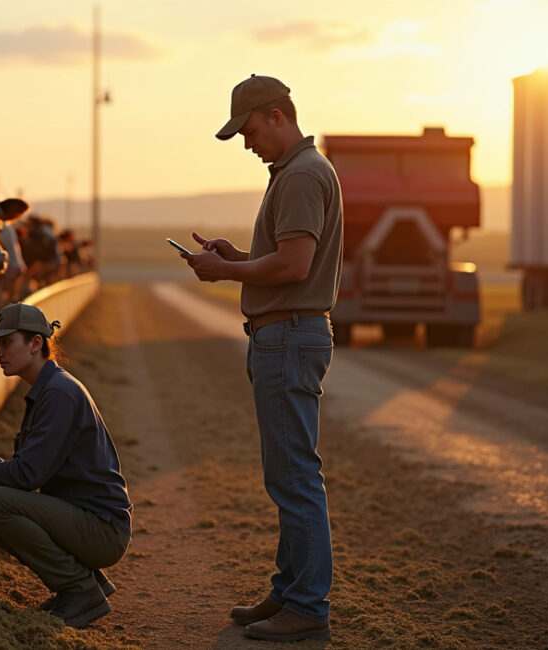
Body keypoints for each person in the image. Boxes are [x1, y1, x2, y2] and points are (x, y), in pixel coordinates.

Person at [181, 74, 342, 642]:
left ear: (277, 116)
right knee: (289, 473)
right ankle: (289, 591)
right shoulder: (299, 171)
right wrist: (241, 256)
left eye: (249, 130)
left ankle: (306, 606)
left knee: (294, 476)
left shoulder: (300, 175)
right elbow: (285, 259)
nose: (247, 144)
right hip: (289, 333)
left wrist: (226, 271)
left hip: (289, 336)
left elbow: (295, 268)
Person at [0, 302, 132, 629]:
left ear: (35, 344)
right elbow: (24, 469)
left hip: (103, 530)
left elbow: (25, 477)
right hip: (86, 520)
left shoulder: (58, 394)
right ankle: (85, 581)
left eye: (6, 342)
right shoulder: (48, 389)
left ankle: (80, 590)